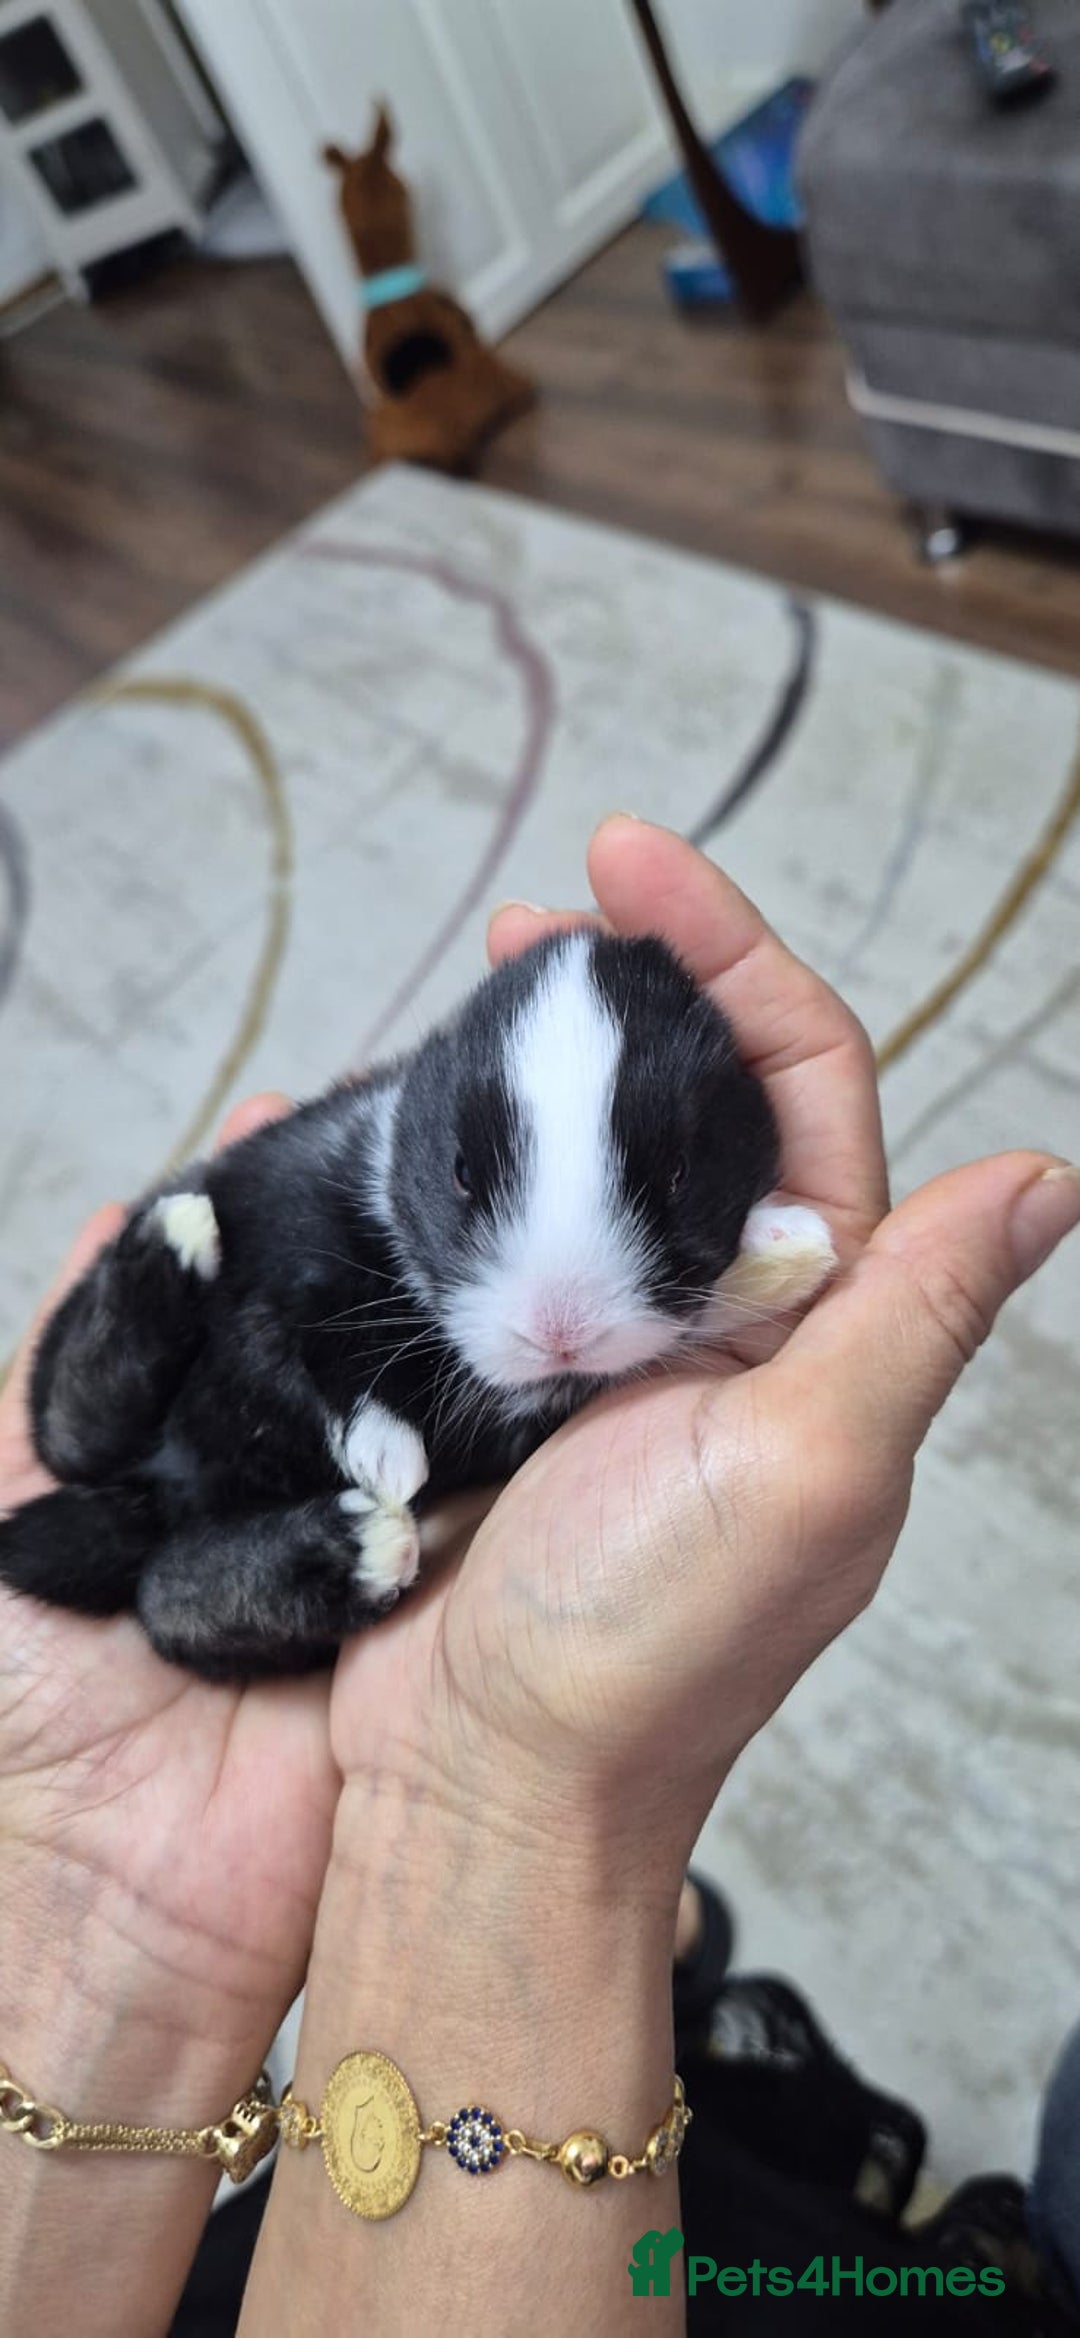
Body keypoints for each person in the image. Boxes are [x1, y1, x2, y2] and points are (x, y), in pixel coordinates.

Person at [1, 817, 1078, 2338]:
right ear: (435, 1121)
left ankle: (235, 1586)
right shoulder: (344, 1184)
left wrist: (507, 1812)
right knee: (111, 1395)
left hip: (277, 1534)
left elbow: (517, 1399)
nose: (561, 1327)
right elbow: (321, 1308)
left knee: (283, 1562)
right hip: (208, 1397)